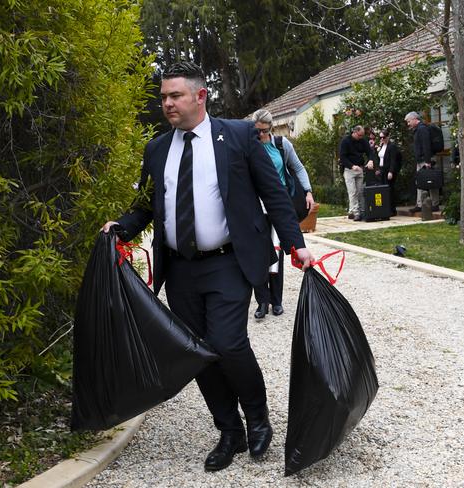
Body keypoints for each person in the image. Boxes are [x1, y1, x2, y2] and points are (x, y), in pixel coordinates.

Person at [102, 62, 314, 472]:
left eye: (174, 95)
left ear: (200, 96)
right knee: (198, 352)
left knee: (228, 342)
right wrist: (121, 228)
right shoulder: (158, 149)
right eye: (163, 97)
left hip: (228, 262)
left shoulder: (237, 136)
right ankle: (228, 430)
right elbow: (147, 203)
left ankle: (257, 416)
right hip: (180, 268)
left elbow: (272, 193)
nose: (167, 103)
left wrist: (296, 244)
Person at [250, 108, 314, 320]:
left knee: (277, 253)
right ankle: (262, 301)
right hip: (256, 207)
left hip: (278, 205)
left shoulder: (281, 145)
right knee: (258, 253)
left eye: (263, 131)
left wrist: (307, 191)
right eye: (256, 130)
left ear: (270, 127)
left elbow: (298, 167)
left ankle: (276, 301)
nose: (259, 135)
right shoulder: (248, 145)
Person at [404, 111, 440, 212]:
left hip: (426, 160)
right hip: (421, 160)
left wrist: (428, 161)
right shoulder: (417, 129)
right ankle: (420, 204)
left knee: (431, 180)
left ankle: (434, 203)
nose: (408, 124)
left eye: (409, 121)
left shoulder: (422, 129)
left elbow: (426, 145)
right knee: (420, 182)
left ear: (415, 119)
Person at [339, 125, 374, 220]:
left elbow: (370, 152)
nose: (361, 137)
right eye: (359, 135)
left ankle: (359, 211)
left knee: (360, 192)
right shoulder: (345, 141)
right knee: (352, 192)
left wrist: (370, 160)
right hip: (349, 170)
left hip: (360, 169)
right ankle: (356, 212)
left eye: (362, 135)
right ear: (354, 132)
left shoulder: (362, 141)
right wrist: (352, 166)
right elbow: (342, 157)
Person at [376, 129, 403, 216]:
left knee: (390, 189)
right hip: (382, 170)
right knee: (383, 190)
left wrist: (391, 171)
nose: (382, 139)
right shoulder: (381, 146)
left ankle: (392, 209)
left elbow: (393, 160)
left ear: (388, 137)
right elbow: (379, 158)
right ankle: (385, 208)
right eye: (380, 137)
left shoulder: (392, 146)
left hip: (388, 170)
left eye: (383, 137)